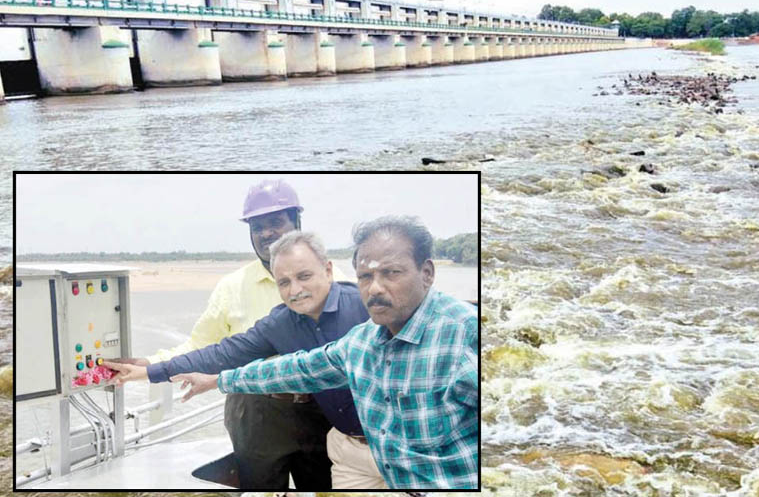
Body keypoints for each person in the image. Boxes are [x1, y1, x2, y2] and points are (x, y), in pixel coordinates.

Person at [167, 216, 479, 490]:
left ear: (426, 273)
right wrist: (216, 381)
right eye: (365, 277)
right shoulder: (362, 340)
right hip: (355, 457)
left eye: (392, 273)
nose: (375, 289)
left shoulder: (465, 335)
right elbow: (295, 369)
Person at [106, 231, 387, 489]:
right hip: (348, 449)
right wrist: (148, 371)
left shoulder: (366, 307)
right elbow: (222, 354)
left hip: (396, 443)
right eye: (284, 282)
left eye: (304, 276)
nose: (295, 290)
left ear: (328, 270)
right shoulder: (280, 323)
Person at [109, 179, 338, 490]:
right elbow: (204, 347)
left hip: (322, 408)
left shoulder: (336, 282)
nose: (267, 232)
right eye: (257, 226)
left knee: (327, 489)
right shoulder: (233, 287)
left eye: (275, 222)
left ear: (296, 222)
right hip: (253, 412)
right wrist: (149, 365)